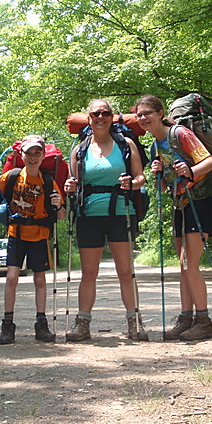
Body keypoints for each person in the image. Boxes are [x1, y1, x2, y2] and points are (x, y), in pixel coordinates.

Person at [64, 99, 148, 342]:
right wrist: (70, 186)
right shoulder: (79, 150)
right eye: (95, 113)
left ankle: (134, 321)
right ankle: (82, 324)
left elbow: (140, 176)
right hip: (88, 215)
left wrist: (132, 184)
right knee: (89, 272)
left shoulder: (126, 144)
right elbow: (74, 183)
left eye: (105, 113)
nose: (100, 117)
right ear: (89, 119)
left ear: (112, 117)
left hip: (121, 211)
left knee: (125, 271)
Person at [135, 94, 212, 341]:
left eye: (147, 113)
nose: (143, 118)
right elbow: (162, 189)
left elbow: (210, 161)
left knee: (189, 264)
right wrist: (158, 174)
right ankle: (186, 319)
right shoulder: (154, 146)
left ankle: (203, 321)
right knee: (183, 266)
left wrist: (190, 170)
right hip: (180, 204)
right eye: (139, 115)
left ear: (160, 113)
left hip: (200, 200)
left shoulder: (180, 134)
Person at [0, 135, 66, 344]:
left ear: (43, 155)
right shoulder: (12, 176)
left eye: (37, 153)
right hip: (16, 234)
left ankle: (41, 325)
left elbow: (61, 216)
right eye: (29, 153)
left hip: (40, 236)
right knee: (12, 277)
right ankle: (7, 325)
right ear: (21, 155)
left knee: (40, 279)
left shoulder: (49, 182)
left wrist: (58, 204)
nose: (33, 157)